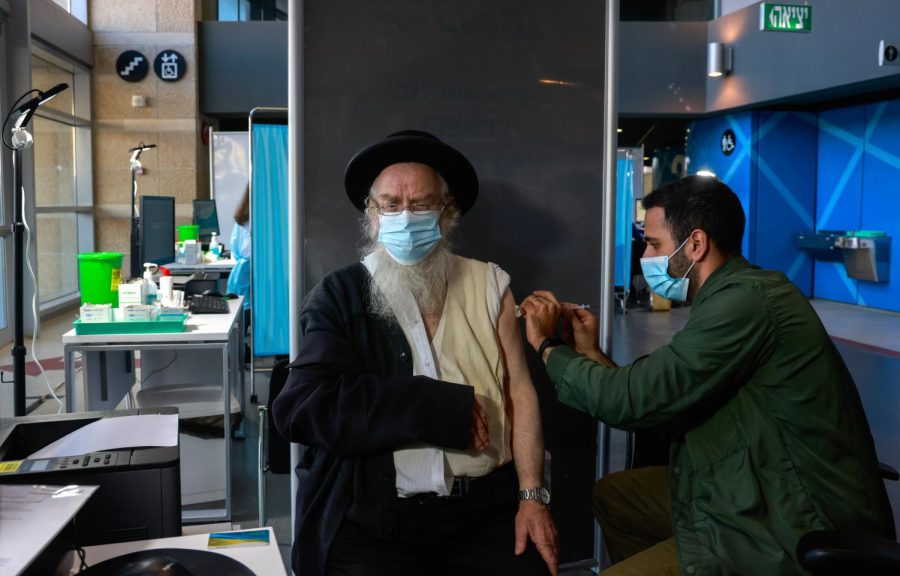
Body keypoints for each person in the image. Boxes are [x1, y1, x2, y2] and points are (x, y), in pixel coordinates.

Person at [519, 175, 894, 575]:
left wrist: (546, 346)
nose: (645, 256)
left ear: (694, 245)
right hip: (749, 480)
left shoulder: (746, 303)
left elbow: (630, 400)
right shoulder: (730, 296)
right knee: (618, 497)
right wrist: (591, 352)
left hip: (788, 520)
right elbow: (664, 395)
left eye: (654, 244)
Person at [272, 130, 558, 576]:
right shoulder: (339, 294)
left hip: (487, 514)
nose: (405, 216)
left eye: (422, 204)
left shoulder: (490, 284)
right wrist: (434, 407)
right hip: (377, 522)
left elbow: (520, 393)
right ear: (372, 218)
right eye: (390, 204)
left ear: (448, 214)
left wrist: (532, 496)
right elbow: (303, 408)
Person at [226, 185, 250, 305]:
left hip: (241, 277)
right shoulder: (268, 218)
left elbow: (235, 250)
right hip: (253, 280)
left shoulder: (243, 219)